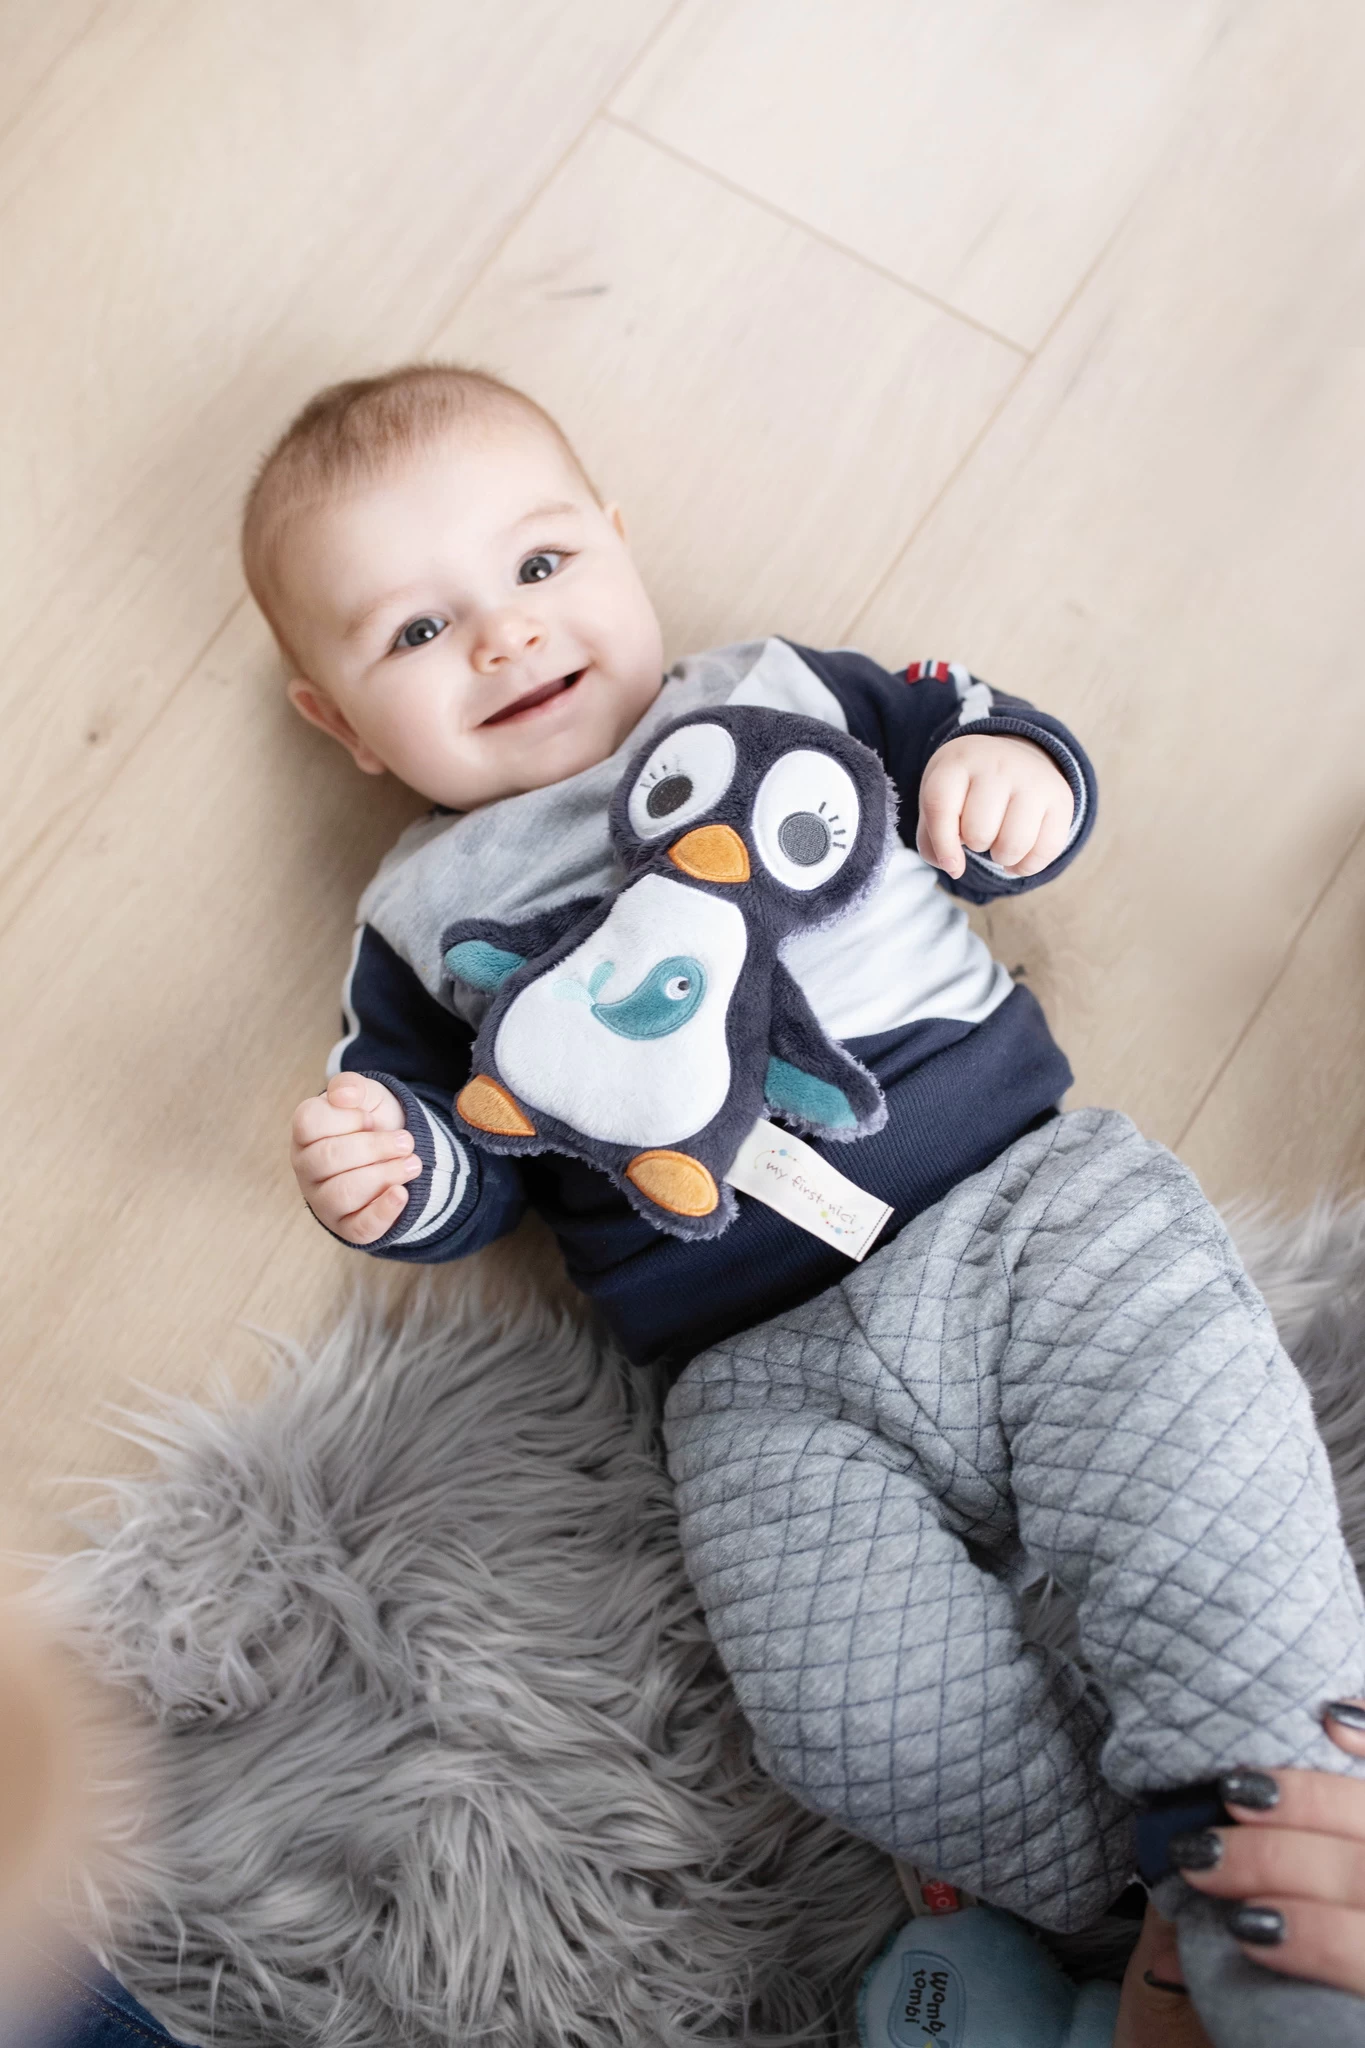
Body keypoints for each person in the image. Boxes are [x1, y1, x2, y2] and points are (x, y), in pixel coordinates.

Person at [247, 362, 1365, 2046]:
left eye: (541, 565)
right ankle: (1120, 1911)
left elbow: (977, 728)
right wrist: (390, 1175)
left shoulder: (778, 694)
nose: (503, 634)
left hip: (1024, 1212)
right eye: (414, 631)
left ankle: (1264, 1862)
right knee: (856, 1712)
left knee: (1204, 1503)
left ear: (620, 543)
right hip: (757, 1377)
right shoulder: (420, 920)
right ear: (336, 721)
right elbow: (456, 1157)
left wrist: (1011, 781)